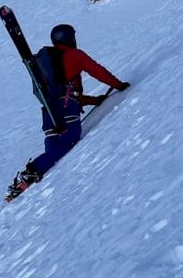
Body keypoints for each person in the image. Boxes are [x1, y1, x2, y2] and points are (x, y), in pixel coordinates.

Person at [9, 23, 129, 196]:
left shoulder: (44, 62)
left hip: (49, 113)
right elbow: (97, 72)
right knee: (69, 141)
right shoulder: (74, 55)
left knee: (53, 154)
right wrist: (118, 85)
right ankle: (30, 172)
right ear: (69, 38)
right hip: (67, 110)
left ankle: (23, 186)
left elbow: (60, 92)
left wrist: (94, 100)